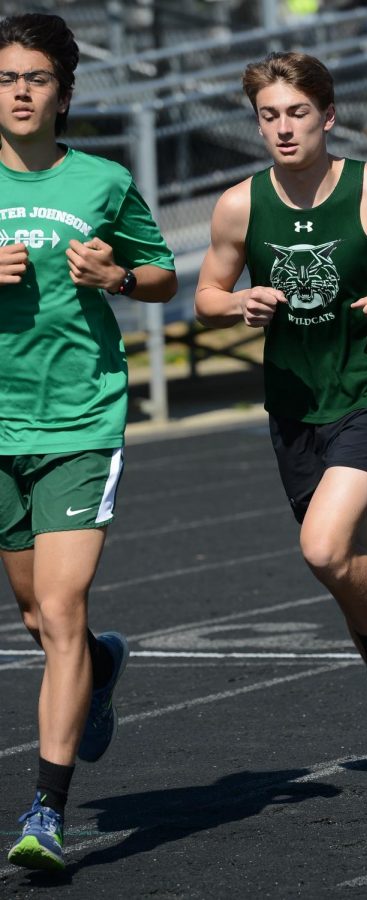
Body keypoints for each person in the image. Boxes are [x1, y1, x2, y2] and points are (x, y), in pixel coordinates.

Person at [195, 50, 367, 805]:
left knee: (323, 545)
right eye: (269, 115)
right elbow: (207, 290)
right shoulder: (239, 205)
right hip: (295, 404)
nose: (282, 128)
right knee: (343, 570)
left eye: (296, 113)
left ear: (328, 115)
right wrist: (237, 305)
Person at [0, 13, 177, 872]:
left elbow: (161, 274)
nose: (21, 91)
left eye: (36, 77)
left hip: (79, 420)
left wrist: (116, 277)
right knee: (38, 614)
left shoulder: (101, 181)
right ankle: (102, 670)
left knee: (61, 610)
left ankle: (46, 810)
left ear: (64, 92)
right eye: (7, 77)